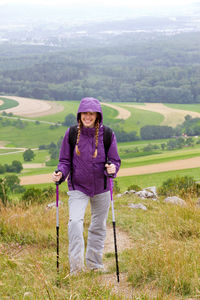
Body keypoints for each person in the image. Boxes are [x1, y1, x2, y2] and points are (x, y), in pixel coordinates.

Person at [52, 97, 121, 274]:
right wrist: (60, 173)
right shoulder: (72, 133)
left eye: (91, 113)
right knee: (75, 222)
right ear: (79, 114)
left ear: (98, 115)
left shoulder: (107, 134)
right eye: (84, 113)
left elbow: (114, 160)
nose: (87, 116)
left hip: (102, 188)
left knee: (98, 226)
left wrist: (112, 168)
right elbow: (65, 160)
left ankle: (94, 265)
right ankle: (76, 269)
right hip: (78, 187)